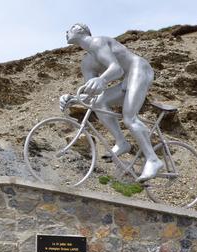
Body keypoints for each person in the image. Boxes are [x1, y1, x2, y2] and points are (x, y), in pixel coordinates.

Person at [60, 23, 163, 182]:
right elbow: (91, 94)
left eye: (70, 28)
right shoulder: (86, 63)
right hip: (126, 80)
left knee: (129, 118)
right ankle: (121, 142)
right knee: (98, 101)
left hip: (139, 69)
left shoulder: (98, 42)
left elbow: (117, 69)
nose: (66, 32)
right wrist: (73, 99)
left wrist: (102, 79)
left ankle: (153, 160)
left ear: (80, 30)